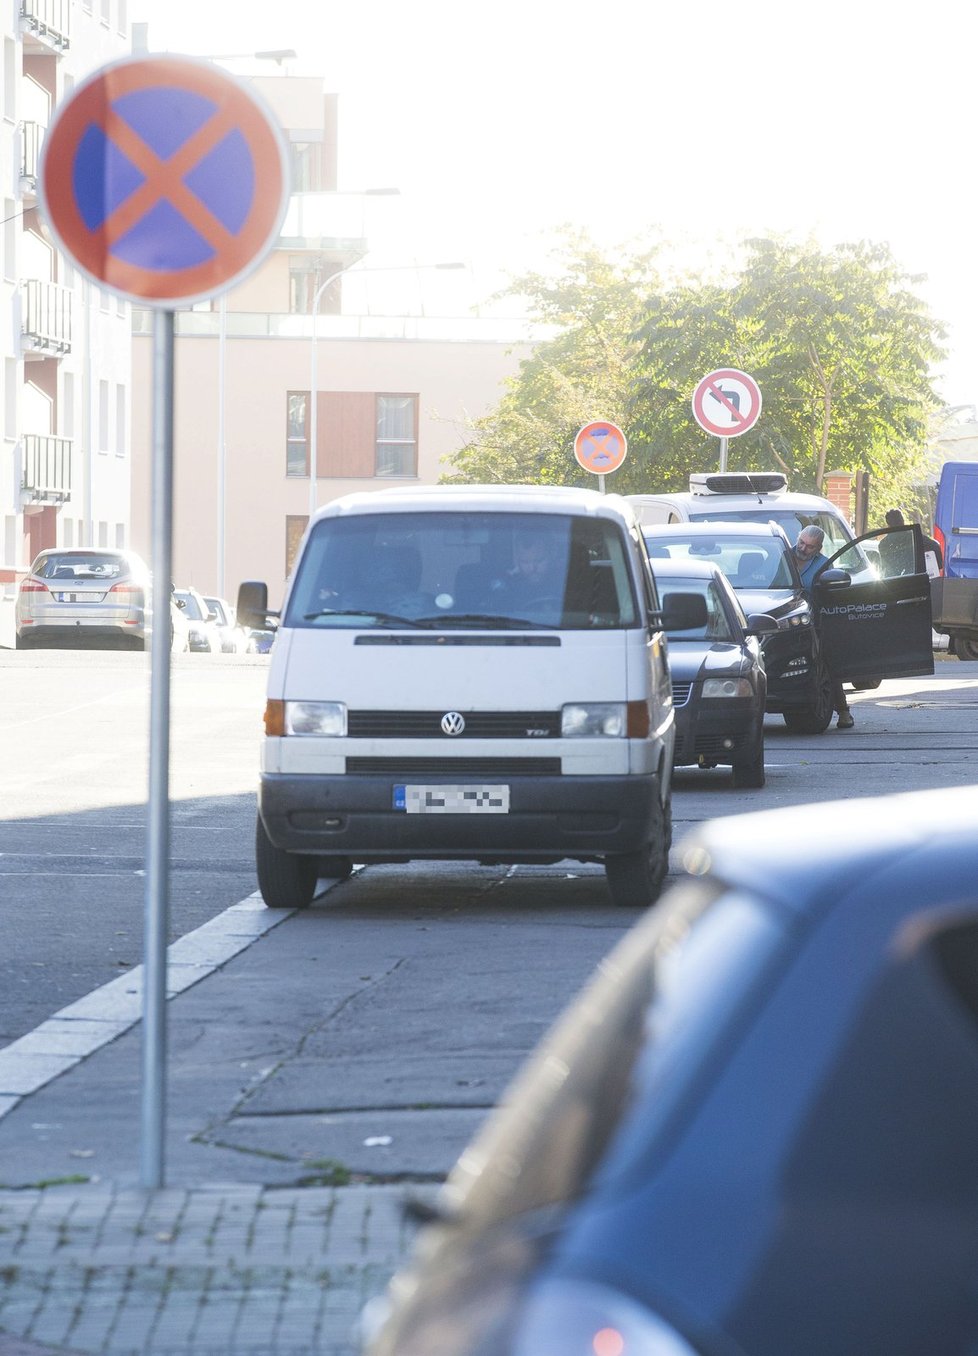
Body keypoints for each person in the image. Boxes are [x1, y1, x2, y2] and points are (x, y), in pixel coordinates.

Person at [792, 525, 854, 729]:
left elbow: (830, 594)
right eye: (801, 542)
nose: (803, 548)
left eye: (810, 546)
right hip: (783, 622)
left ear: (818, 548)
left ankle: (843, 710)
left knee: (825, 665)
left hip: (813, 624)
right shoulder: (783, 556)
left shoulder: (823, 565)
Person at [881, 508, 943, 577]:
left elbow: (886, 571)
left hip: (895, 584)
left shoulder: (883, 544)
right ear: (903, 521)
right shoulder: (914, 536)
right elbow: (935, 546)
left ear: (888, 524)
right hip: (916, 581)